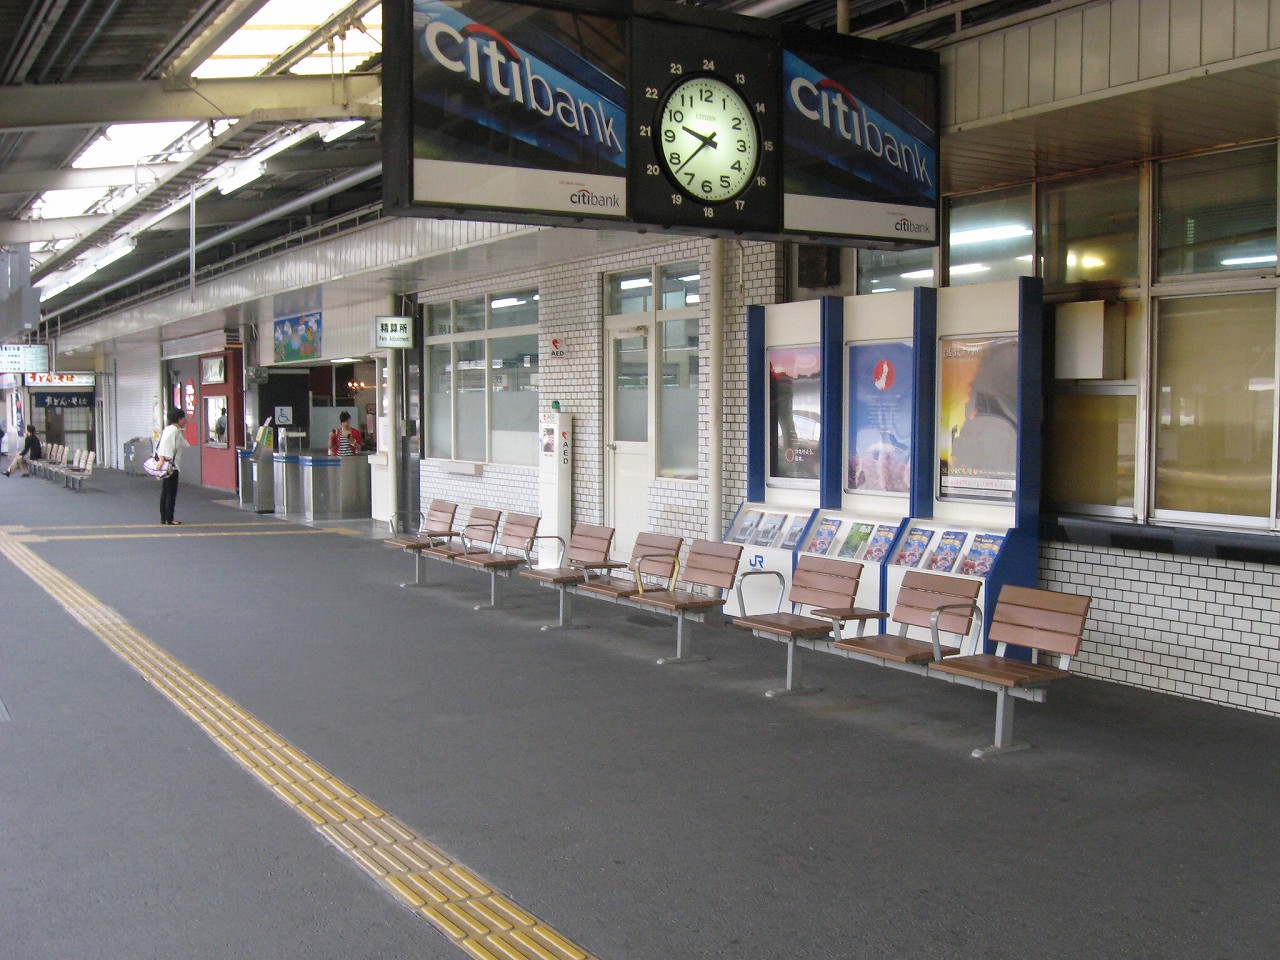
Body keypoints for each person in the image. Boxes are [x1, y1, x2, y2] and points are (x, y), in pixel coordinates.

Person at [155, 408, 191, 525]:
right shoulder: (173, 431)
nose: (185, 420)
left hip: (168, 465)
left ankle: (164, 517)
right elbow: (166, 446)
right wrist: (162, 459)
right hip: (171, 466)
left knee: (165, 491)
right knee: (170, 492)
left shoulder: (170, 430)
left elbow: (184, 444)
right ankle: (169, 518)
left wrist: (182, 431)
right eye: (183, 418)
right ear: (179, 419)